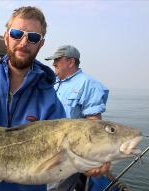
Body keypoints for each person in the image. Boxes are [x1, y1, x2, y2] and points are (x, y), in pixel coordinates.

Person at [0, 7, 109, 191]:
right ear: (6, 37)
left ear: (41, 44)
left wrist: (88, 162)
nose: (24, 42)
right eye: (16, 34)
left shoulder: (50, 99)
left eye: (33, 37)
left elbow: (62, 154)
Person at [45, 45, 111, 191]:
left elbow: (95, 125)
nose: (53, 63)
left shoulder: (89, 84)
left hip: (67, 153)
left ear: (71, 62)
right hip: (47, 147)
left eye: (57, 60)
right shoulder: (55, 83)